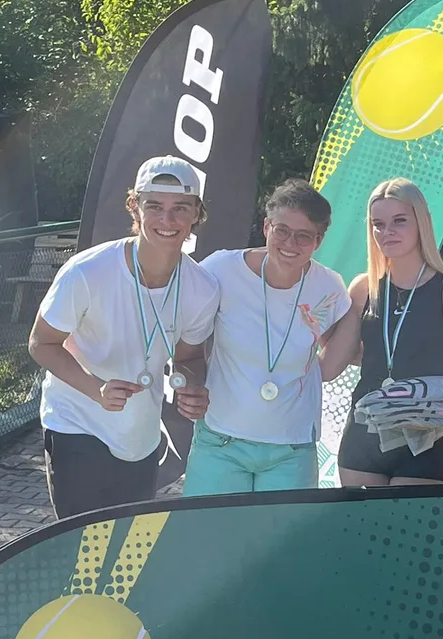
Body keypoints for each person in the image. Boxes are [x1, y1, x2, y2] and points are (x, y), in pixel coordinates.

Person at [29, 156, 219, 519]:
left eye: (180, 208)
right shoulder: (87, 271)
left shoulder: (202, 287)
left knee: (127, 547)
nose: (167, 220)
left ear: (196, 212)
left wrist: (191, 386)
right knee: (83, 543)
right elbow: (41, 343)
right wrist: (96, 389)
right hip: (76, 424)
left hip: (139, 437)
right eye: (155, 206)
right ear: (135, 206)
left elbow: (190, 357)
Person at [182, 178, 352, 496]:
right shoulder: (220, 269)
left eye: (304, 236)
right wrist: (188, 381)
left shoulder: (329, 287)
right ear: (266, 227)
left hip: (291, 450)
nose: (290, 243)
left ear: (318, 240)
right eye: (282, 230)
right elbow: (186, 342)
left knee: (284, 534)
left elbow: (330, 361)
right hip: (221, 442)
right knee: (208, 530)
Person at [322, 177, 443, 486]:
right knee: (361, 520)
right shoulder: (363, 288)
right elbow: (330, 366)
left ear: (421, 222)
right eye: (378, 224)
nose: (387, 232)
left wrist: (433, 423)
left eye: (399, 221)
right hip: (363, 440)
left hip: (423, 444)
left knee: (409, 521)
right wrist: (314, 326)